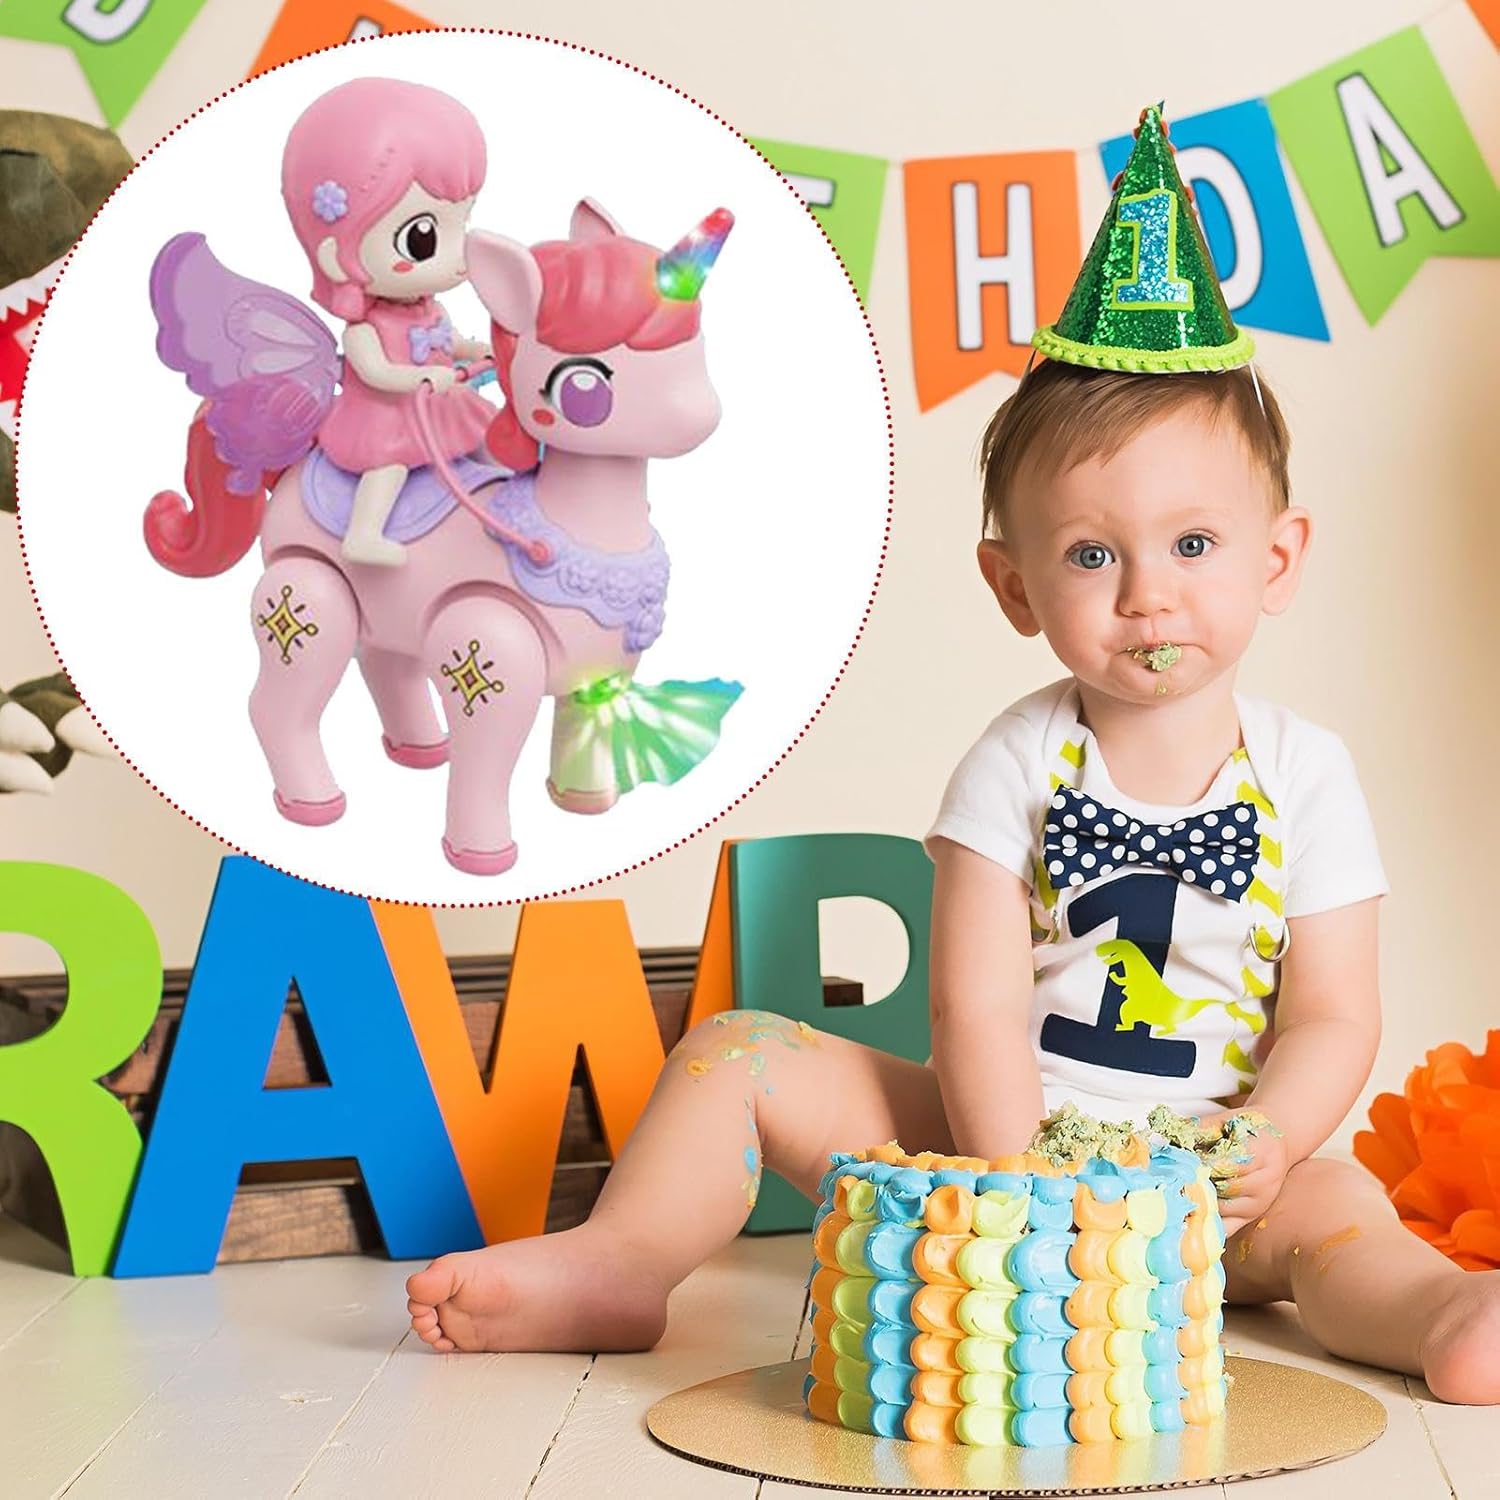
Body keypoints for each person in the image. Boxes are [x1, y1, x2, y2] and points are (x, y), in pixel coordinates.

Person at [404, 106, 1500, 1405]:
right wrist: (1018, 1176)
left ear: (1278, 558)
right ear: (1014, 584)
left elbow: (1333, 1012)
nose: (1147, 592)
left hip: (1212, 1174)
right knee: (734, 1052)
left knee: (1340, 1216)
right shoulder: (1015, 761)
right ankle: (623, 1259)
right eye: (1091, 553)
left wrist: (1267, 1138)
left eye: (1194, 545)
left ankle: (1441, 1310)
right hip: (1001, 1132)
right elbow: (971, 1007)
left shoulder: (1307, 774)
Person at [281, 78, 494, 566]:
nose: (458, 255)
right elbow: (377, 373)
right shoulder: (364, 329)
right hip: (386, 417)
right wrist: (422, 377)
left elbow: (449, 341)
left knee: (487, 429)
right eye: (423, 237)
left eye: (462, 223)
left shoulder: (428, 306)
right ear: (335, 254)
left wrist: (476, 350)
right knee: (389, 466)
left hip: (435, 404)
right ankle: (364, 532)